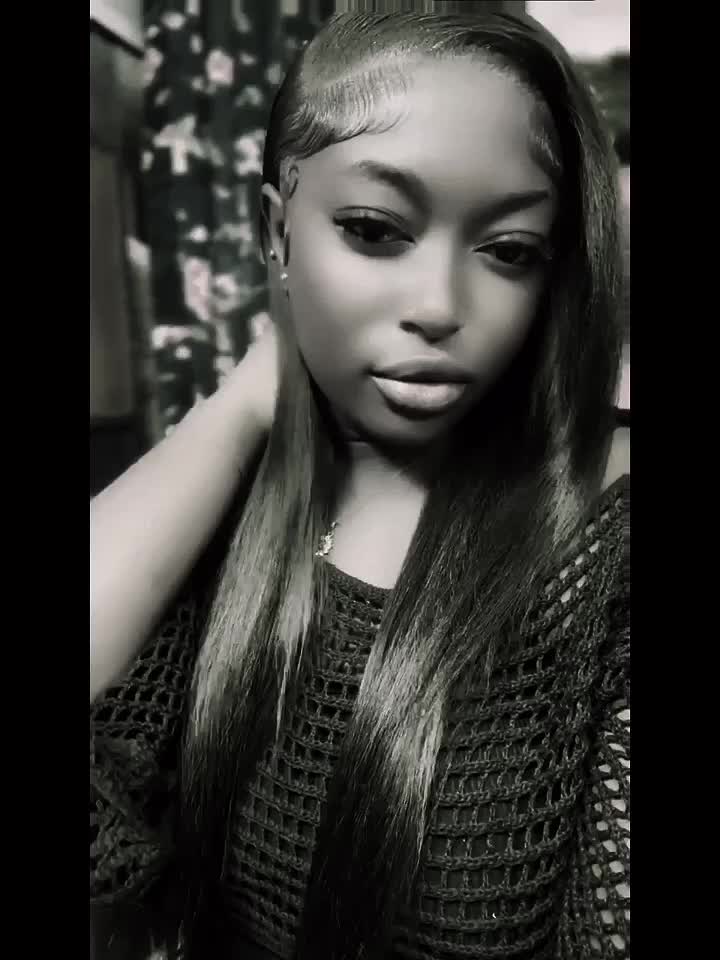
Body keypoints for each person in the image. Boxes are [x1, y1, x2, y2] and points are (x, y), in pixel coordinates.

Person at [90, 10, 630, 960]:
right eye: (375, 231)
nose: (439, 308)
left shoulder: (605, 538)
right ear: (277, 229)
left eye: (509, 250)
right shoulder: (231, 505)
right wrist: (248, 400)